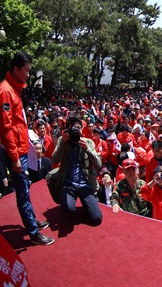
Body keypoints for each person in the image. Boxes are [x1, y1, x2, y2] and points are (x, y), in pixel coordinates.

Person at [0, 51, 53, 245]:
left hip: (21, 148)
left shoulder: (15, 88)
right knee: (22, 191)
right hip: (15, 152)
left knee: (26, 189)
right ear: (16, 69)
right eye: (26, 71)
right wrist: (14, 157)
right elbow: (5, 129)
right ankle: (33, 233)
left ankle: (32, 221)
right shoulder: (6, 91)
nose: (29, 74)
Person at [52, 116, 103, 226]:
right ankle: (70, 201)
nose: (77, 131)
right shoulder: (62, 141)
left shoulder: (88, 142)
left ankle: (87, 203)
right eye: (74, 128)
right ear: (68, 129)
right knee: (67, 209)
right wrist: (63, 143)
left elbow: (98, 164)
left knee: (96, 219)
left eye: (79, 128)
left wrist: (87, 149)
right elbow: (55, 160)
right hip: (68, 183)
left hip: (85, 184)